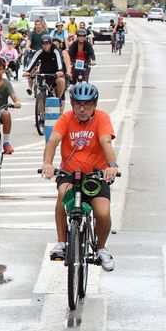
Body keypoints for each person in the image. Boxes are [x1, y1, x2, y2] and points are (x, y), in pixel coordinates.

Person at [40, 82, 118, 272]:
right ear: (72, 104)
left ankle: (101, 248)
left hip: (95, 176)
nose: (82, 109)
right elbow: (53, 142)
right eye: (78, 105)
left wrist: (112, 165)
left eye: (88, 105)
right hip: (70, 174)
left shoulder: (102, 118)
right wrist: (48, 163)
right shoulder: (66, 118)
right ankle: (61, 243)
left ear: (95, 105)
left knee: (102, 213)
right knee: (62, 196)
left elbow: (105, 142)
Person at [23, 33, 69, 102]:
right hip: (43, 75)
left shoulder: (56, 51)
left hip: (55, 75)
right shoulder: (40, 51)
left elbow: (60, 62)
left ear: (51, 44)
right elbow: (33, 61)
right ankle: (41, 112)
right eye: (43, 44)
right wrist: (28, 71)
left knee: (61, 81)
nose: (45, 46)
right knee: (41, 94)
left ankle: (58, 99)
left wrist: (60, 70)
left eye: (47, 44)